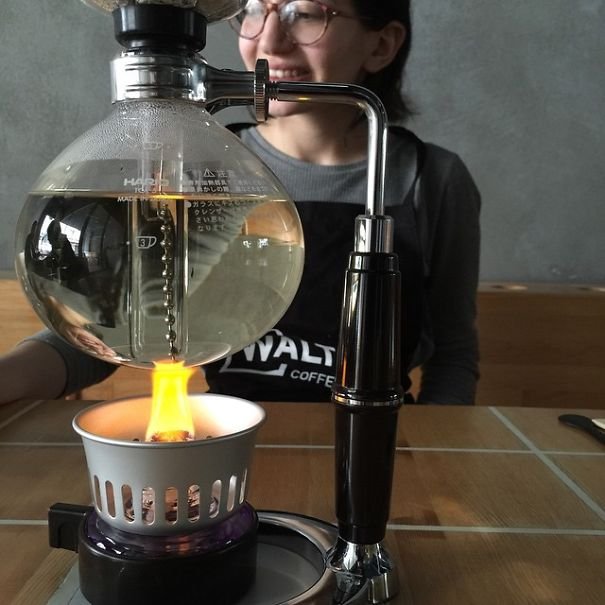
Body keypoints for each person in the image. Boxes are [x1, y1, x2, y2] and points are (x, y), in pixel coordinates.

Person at [0, 0, 480, 405]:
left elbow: (453, 352)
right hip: (233, 436)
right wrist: (11, 376)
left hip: (377, 433)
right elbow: (119, 329)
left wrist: (432, 452)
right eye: (253, 11)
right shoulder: (195, 174)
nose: (270, 41)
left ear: (381, 45)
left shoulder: (430, 179)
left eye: (304, 14)